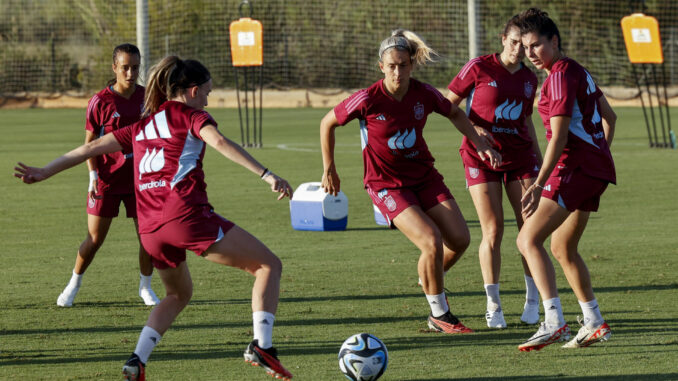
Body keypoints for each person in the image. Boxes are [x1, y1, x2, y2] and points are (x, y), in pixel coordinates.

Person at [15, 56, 294, 380]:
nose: (208, 98)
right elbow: (218, 141)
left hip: (149, 230)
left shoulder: (141, 125)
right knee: (267, 265)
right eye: (206, 92)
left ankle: (137, 359)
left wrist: (45, 171)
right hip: (184, 217)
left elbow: (87, 150)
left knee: (178, 294)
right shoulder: (191, 116)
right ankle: (263, 346)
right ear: (191, 91)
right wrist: (267, 174)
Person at [320, 29, 501, 334]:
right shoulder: (367, 99)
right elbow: (327, 122)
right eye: (391, 65)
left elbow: (455, 113)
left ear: (412, 65)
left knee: (460, 240)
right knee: (431, 241)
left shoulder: (424, 93)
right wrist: (329, 168)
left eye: (403, 65)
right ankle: (440, 315)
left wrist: (478, 141)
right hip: (386, 184)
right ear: (381, 66)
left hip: (425, 177)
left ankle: (428, 276)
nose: (398, 71)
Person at [515, 8, 616, 351]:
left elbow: (557, 138)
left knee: (527, 241)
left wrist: (540, 182)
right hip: (593, 169)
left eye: (536, 45)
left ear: (553, 41)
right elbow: (610, 117)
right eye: (525, 47)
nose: (530, 53)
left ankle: (553, 320)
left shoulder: (558, 76)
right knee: (562, 247)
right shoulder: (577, 69)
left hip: (574, 169)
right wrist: (599, 155)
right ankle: (593, 322)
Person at [446, 15, 542, 329]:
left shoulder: (530, 78)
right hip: (479, 157)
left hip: (521, 158)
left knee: (529, 230)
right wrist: (474, 129)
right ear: (503, 39)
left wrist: (539, 160)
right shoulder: (478, 67)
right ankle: (494, 304)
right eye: (514, 42)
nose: (519, 49)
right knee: (494, 230)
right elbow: (449, 105)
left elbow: (527, 119)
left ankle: (532, 300)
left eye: (525, 45)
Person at [56, 43, 160, 307]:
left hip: (141, 181)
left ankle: (145, 287)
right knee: (94, 239)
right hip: (106, 179)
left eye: (135, 67)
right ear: (114, 67)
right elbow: (89, 144)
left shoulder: (148, 97)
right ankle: (73, 283)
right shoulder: (100, 101)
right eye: (125, 67)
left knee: (148, 238)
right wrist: (92, 177)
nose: (130, 72)